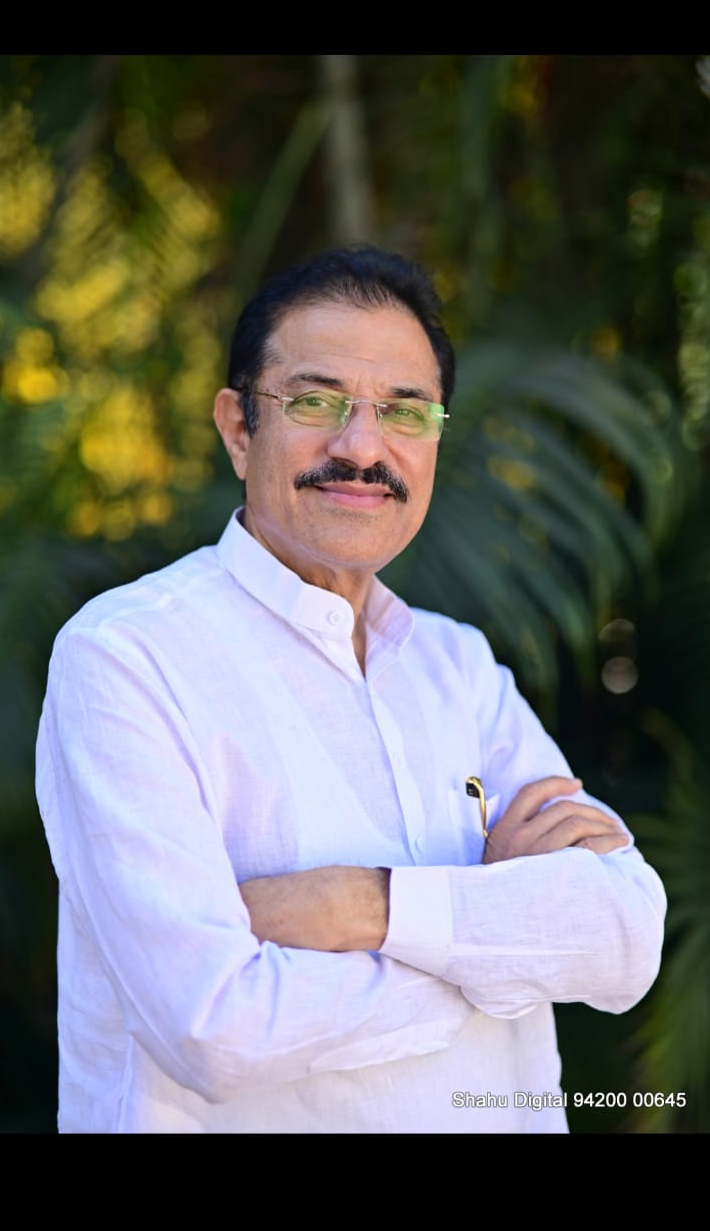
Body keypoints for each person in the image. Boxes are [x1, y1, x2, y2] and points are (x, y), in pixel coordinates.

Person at [36, 244, 666, 1134]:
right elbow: (214, 1028)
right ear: (237, 428)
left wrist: (361, 905)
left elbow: (624, 939)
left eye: (403, 411)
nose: (362, 447)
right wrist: (495, 945)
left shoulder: (457, 666)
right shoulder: (128, 657)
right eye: (315, 401)